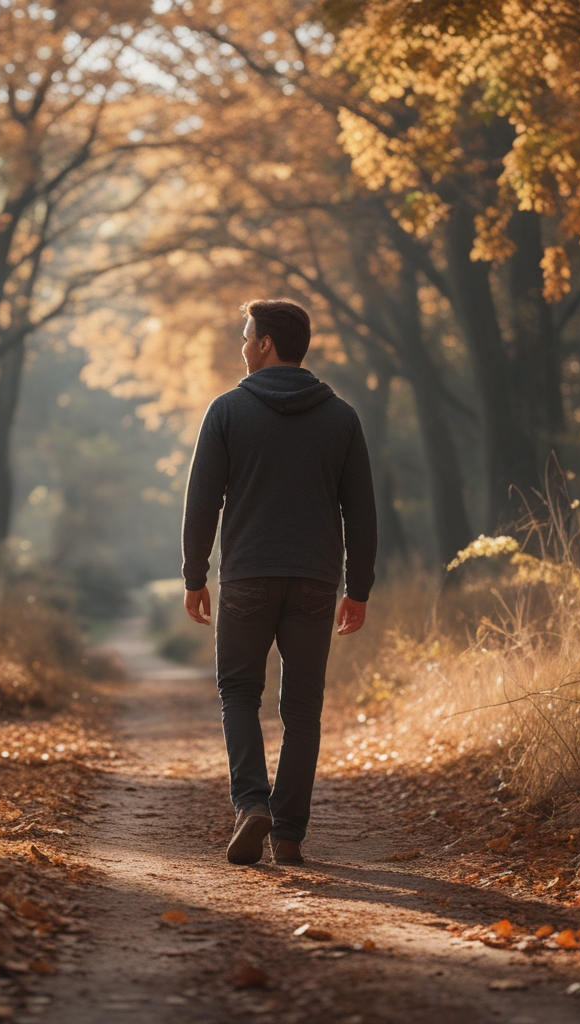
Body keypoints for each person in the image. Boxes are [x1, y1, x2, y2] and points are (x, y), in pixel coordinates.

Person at [181, 298, 377, 866]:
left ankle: (251, 805)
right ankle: (289, 833)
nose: (243, 346)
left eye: (247, 337)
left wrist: (196, 576)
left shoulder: (226, 412)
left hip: (246, 578)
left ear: (266, 343)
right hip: (315, 582)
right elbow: (360, 513)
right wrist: (357, 589)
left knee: (239, 694)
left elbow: (201, 505)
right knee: (302, 710)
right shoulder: (341, 417)